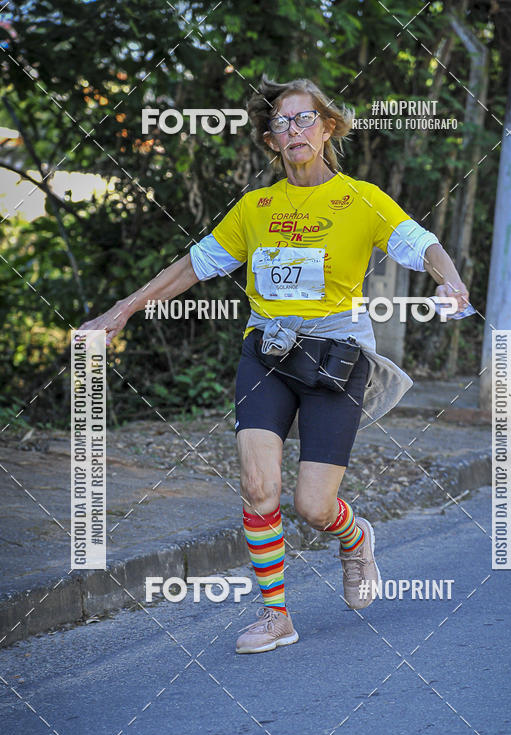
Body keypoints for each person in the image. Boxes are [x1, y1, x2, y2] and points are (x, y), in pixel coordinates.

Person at [80, 76, 469, 655]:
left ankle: (354, 536)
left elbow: (424, 245)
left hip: (335, 357)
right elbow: (192, 266)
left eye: (304, 119)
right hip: (266, 353)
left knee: (313, 506)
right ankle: (276, 616)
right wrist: (123, 309)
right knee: (259, 487)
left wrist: (451, 282)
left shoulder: (361, 198)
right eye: (281, 124)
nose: (293, 131)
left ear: (328, 127)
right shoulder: (256, 207)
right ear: (271, 140)